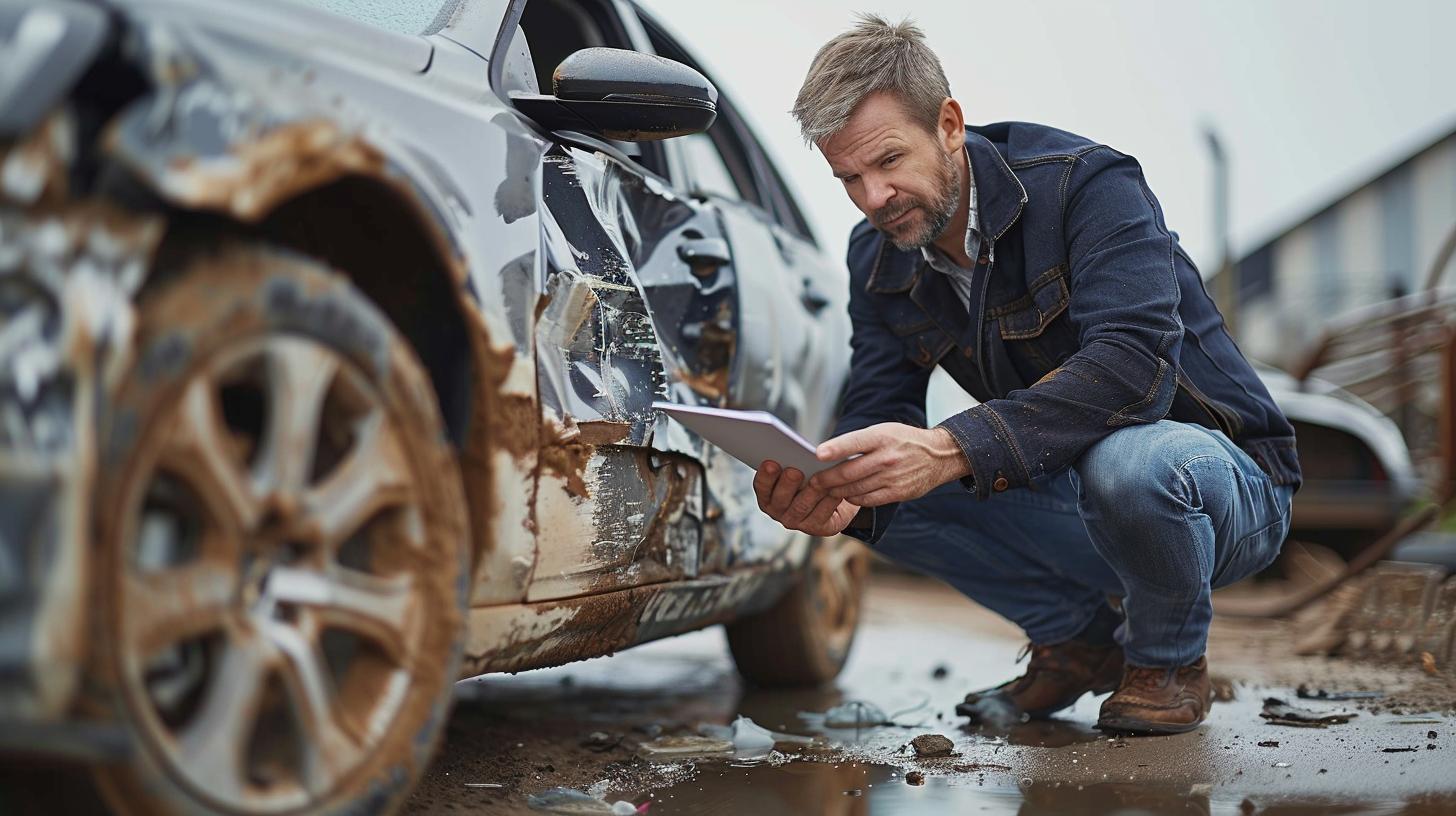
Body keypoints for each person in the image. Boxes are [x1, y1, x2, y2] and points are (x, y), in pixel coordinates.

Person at [752, 15, 1301, 735]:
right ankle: (1076, 641)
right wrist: (830, 488)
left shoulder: (1087, 185)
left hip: (1222, 491)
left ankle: (1165, 660)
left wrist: (948, 448)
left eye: (888, 161)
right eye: (848, 177)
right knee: (870, 483)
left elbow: (1134, 371)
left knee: (1126, 459)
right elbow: (878, 404)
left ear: (949, 124)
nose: (873, 197)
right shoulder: (876, 257)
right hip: (1079, 499)